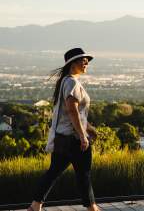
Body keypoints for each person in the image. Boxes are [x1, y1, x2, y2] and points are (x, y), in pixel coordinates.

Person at [29, 48, 100, 211]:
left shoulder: (67, 81)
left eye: (87, 60)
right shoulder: (72, 82)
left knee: (53, 173)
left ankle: (35, 205)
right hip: (74, 139)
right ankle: (92, 208)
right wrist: (83, 136)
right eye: (83, 60)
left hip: (64, 138)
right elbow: (72, 110)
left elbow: (76, 114)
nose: (86, 63)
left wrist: (89, 128)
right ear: (72, 63)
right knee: (84, 174)